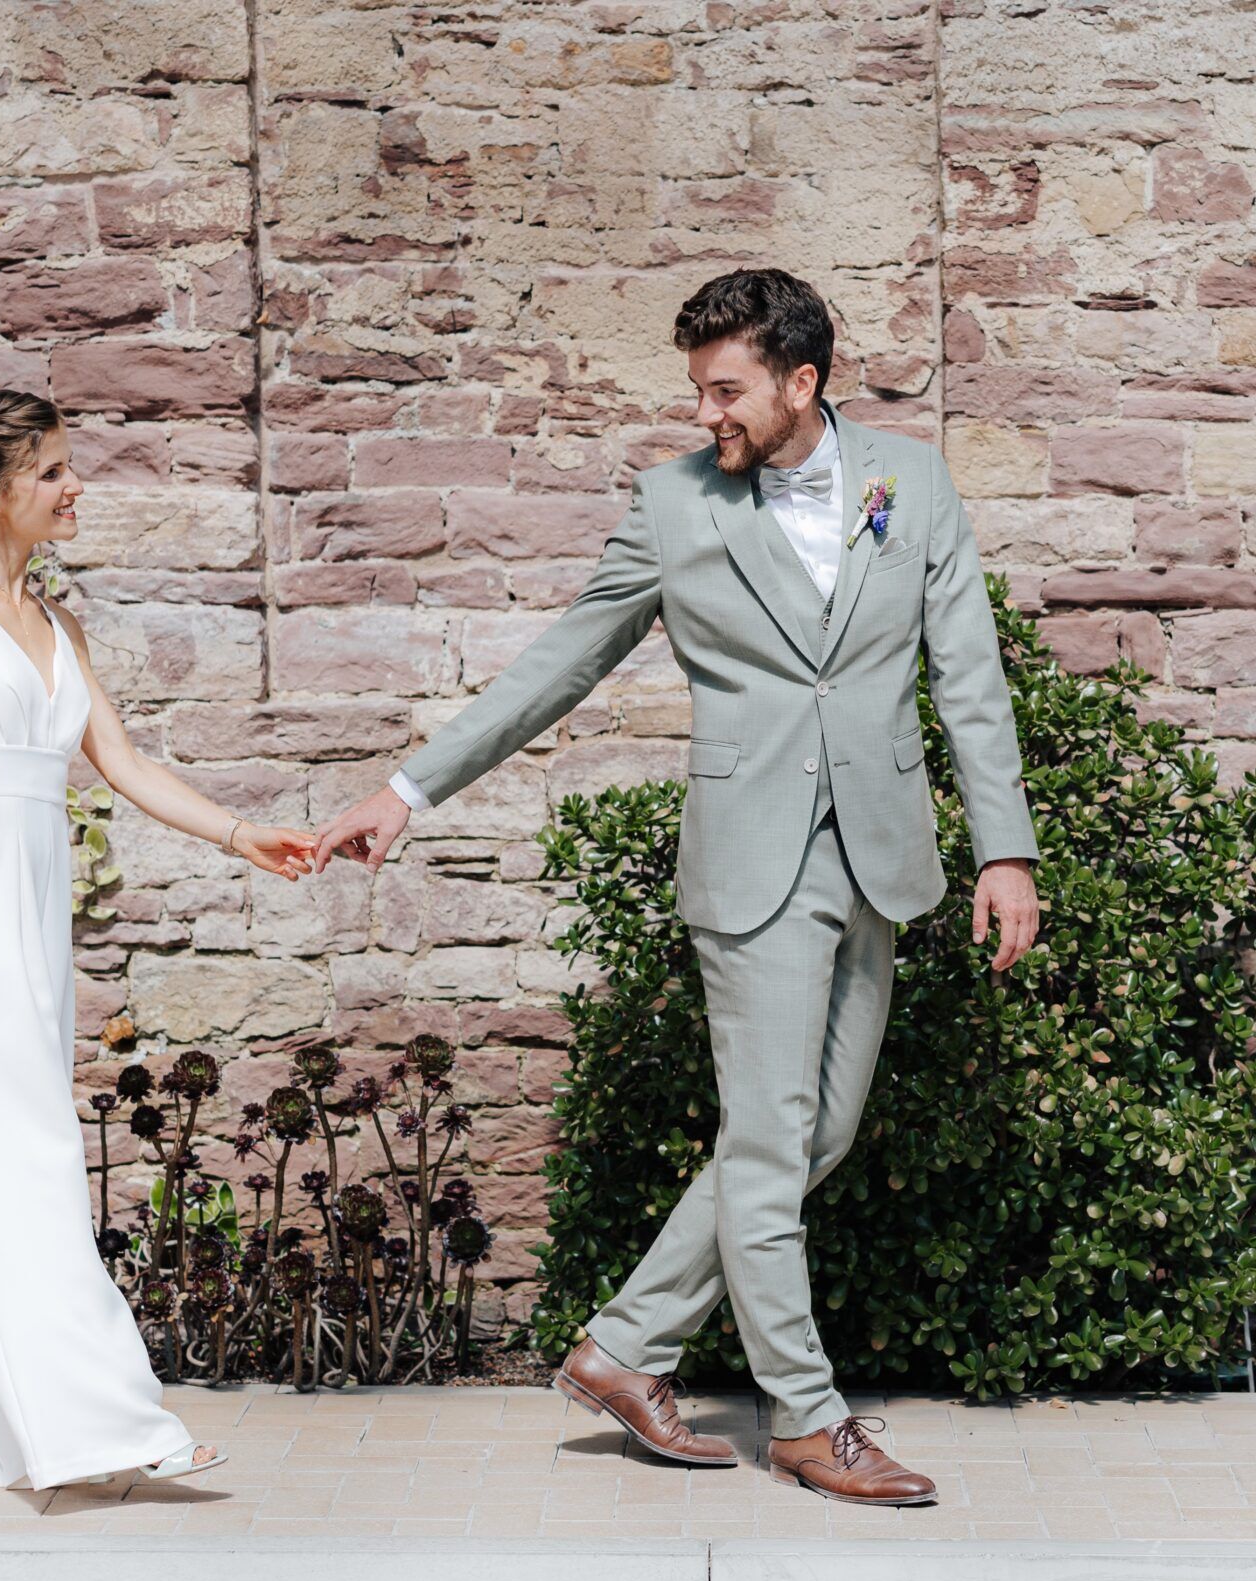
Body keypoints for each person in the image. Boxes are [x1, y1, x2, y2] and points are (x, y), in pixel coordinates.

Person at [313, 270, 1042, 1506]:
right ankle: (807, 1422)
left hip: (878, 849)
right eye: (699, 389)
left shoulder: (905, 482)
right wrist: (408, 789)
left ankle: (622, 1349)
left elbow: (966, 671)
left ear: (800, 382)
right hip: (750, 861)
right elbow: (559, 663)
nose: (707, 412)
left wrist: (1003, 847)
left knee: (818, 1134)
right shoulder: (672, 506)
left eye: (727, 389)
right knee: (767, 1142)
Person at [0, 390, 314, 1490]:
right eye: (50, 472)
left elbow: (122, 768)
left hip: (35, 905)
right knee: (21, 1154)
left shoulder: (61, 626)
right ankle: (101, 1426)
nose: (74, 487)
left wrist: (244, 835)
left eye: (69, 467)